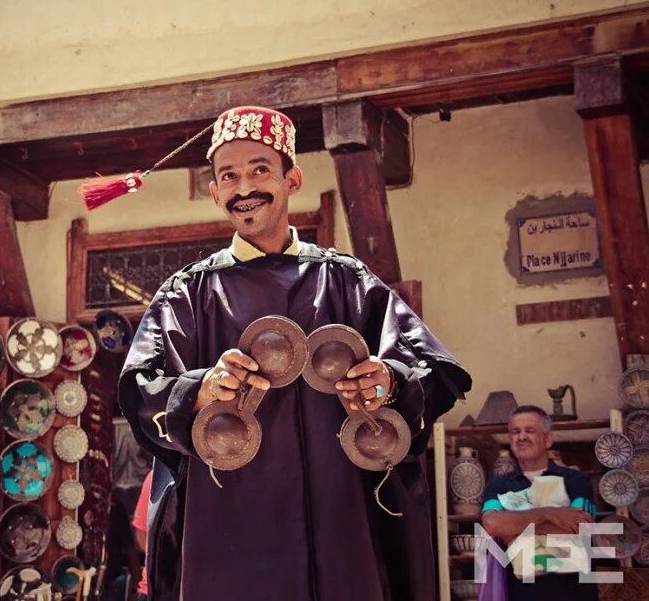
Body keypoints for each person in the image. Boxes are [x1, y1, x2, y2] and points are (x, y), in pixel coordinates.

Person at [118, 106, 473, 601]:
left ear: (293, 179)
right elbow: (141, 391)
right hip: (227, 532)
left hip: (340, 525)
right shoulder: (188, 294)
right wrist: (199, 389)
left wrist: (388, 382)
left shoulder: (346, 282)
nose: (244, 188)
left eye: (260, 169)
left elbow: (432, 371)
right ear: (215, 193)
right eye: (229, 176)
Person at [480, 406, 598, 601]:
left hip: (573, 594)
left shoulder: (575, 480)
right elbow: (492, 525)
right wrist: (550, 513)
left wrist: (514, 529)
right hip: (519, 595)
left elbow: (581, 527)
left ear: (548, 439)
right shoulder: (498, 485)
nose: (522, 437)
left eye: (530, 430)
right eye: (515, 431)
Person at [131, 469, 154, 601]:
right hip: (155, 587)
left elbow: (141, 534)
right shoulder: (157, 476)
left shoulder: (156, 475)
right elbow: (141, 533)